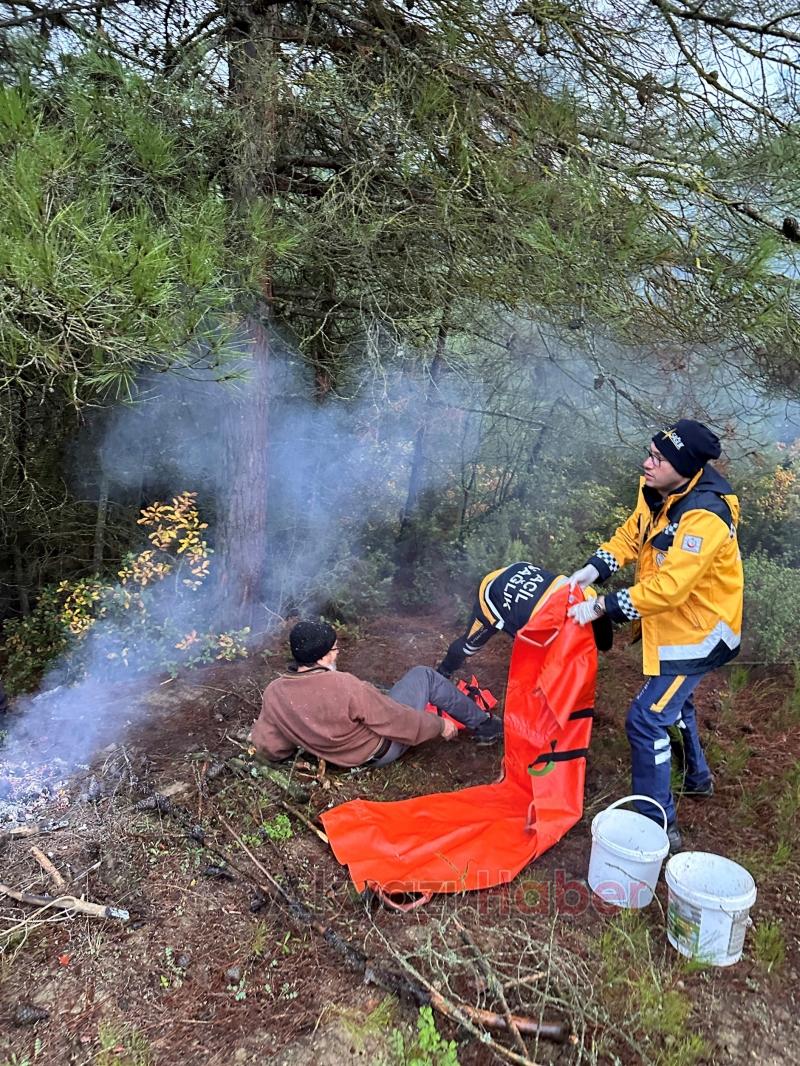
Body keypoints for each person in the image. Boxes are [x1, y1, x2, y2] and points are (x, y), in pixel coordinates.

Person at [566, 420, 743, 853]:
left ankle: (657, 823)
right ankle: (697, 779)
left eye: (658, 458)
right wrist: (593, 569)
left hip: (700, 635)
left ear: (682, 467)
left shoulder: (705, 515)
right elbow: (634, 534)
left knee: (646, 719)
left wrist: (602, 607)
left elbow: (670, 588)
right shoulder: (657, 488)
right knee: (674, 704)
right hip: (675, 624)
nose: (646, 463)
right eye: (650, 453)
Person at [252, 620, 503, 769]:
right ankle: (485, 725)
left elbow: (268, 745)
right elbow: (397, 720)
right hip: (379, 751)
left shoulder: (275, 691)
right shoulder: (343, 685)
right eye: (335, 649)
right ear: (322, 656)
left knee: (378, 695)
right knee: (423, 676)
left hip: (338, 758)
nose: (338, 653)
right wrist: (439, 724)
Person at [436, 562, 613, 679]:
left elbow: (603, 638)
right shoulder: (545, 630)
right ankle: (443, 672)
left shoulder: (588, 595)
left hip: (523, 573)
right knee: (469, 645)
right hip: (494, 594)